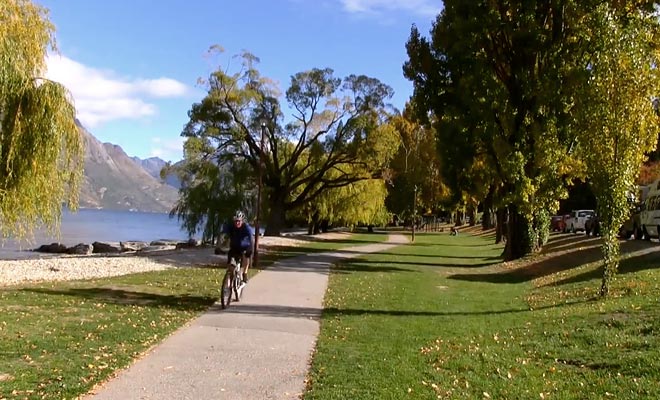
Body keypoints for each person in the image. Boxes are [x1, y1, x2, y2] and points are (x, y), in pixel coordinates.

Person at [221, 210, 255, 283]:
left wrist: (251, 249)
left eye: (239, 221)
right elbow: (222, 235)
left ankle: (245, 273)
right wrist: (219, 247)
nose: (237, 223)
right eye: (236, 221)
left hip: (245, 246)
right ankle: (229, 279)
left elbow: (251, 238)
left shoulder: (246, 227)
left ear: (242, 221)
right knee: (230, 263)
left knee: (246, 258)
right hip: (234, 247)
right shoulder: (231, 226)